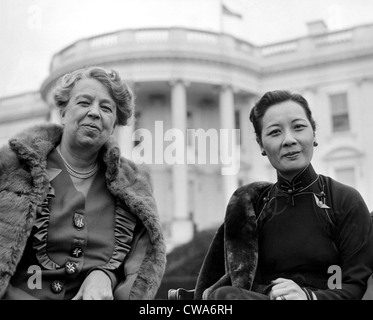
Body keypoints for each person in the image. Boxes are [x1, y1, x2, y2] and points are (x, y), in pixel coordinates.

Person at [0, 66, 166, 300]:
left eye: (106, 108)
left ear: (114, 124)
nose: (95, 113)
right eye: (84, 102)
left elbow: (137, 266)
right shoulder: (10, 169)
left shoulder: (134, 188)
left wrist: (105, 275)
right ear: (63, 113)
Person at [194, 90, 373, 300]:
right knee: (224, 296)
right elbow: (241, 284)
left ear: (313, 134)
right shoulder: (252, 208)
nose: (289, 140)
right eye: (275, 132)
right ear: (261, 145)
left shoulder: (344, 200)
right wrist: (270, 292)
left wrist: (308, 297)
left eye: (298, 127)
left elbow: (356, 286)